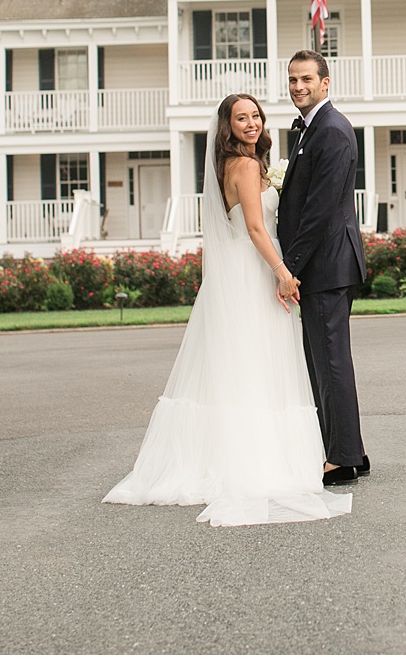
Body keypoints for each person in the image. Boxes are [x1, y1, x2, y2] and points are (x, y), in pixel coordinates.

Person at [102, 93, 351, 526]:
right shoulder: (248, 166)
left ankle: (222, 456)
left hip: (233, 274)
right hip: (252, 272)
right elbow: (256, 227)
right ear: (228, 126)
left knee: (235, 366)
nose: (251, 123)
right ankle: (258, 461)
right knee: (258, 365)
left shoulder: (229, 165)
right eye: (241, 118)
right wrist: (283, 272)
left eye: (255, 115)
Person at [276, 50, 369, 486]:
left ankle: (344, 458)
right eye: (293, 79)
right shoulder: (310, 130)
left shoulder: (331, 131)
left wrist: (288, 268)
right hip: (322, 266)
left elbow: (319, 211)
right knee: (324, 362)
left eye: (306, 79)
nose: (298, 86)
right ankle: (347, 449)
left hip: (326, 266)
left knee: (330, 363)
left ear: (325, 82)